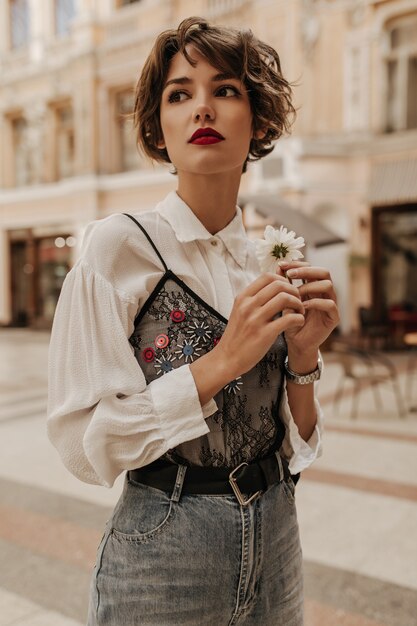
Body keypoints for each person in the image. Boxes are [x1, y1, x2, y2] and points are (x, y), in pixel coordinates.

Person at [47, 16, 339, 626]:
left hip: (277, 533)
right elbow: (82, 444)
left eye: (225, 90)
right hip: (166, 546)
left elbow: (291, 445)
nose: (201, 108)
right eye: (180, 94)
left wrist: (305, 358)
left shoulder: (264, 260)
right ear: (160, 126)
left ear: (257, 121)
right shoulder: (116, 247)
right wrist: (223, 361)